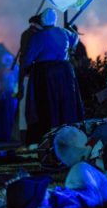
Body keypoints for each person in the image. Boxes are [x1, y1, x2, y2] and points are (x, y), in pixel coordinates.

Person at [22, 8, 84, 143]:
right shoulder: (65, 32)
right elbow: (76, 39)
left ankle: (49, 135)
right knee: (65, 103)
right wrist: (70, 30)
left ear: (43, 20)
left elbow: (28, 58)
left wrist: (25, 69)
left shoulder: (38, 37)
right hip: (65, 71)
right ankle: (67, 134)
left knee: (48, 104)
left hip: (46, 73)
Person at [17, 14, 43, 145]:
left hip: (28, 75)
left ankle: (28, 140)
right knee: (28, 109)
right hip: (31, 76)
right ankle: (28, 140)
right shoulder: (35, 35)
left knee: (26, 110)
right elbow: (26, 58)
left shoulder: (28, 34)